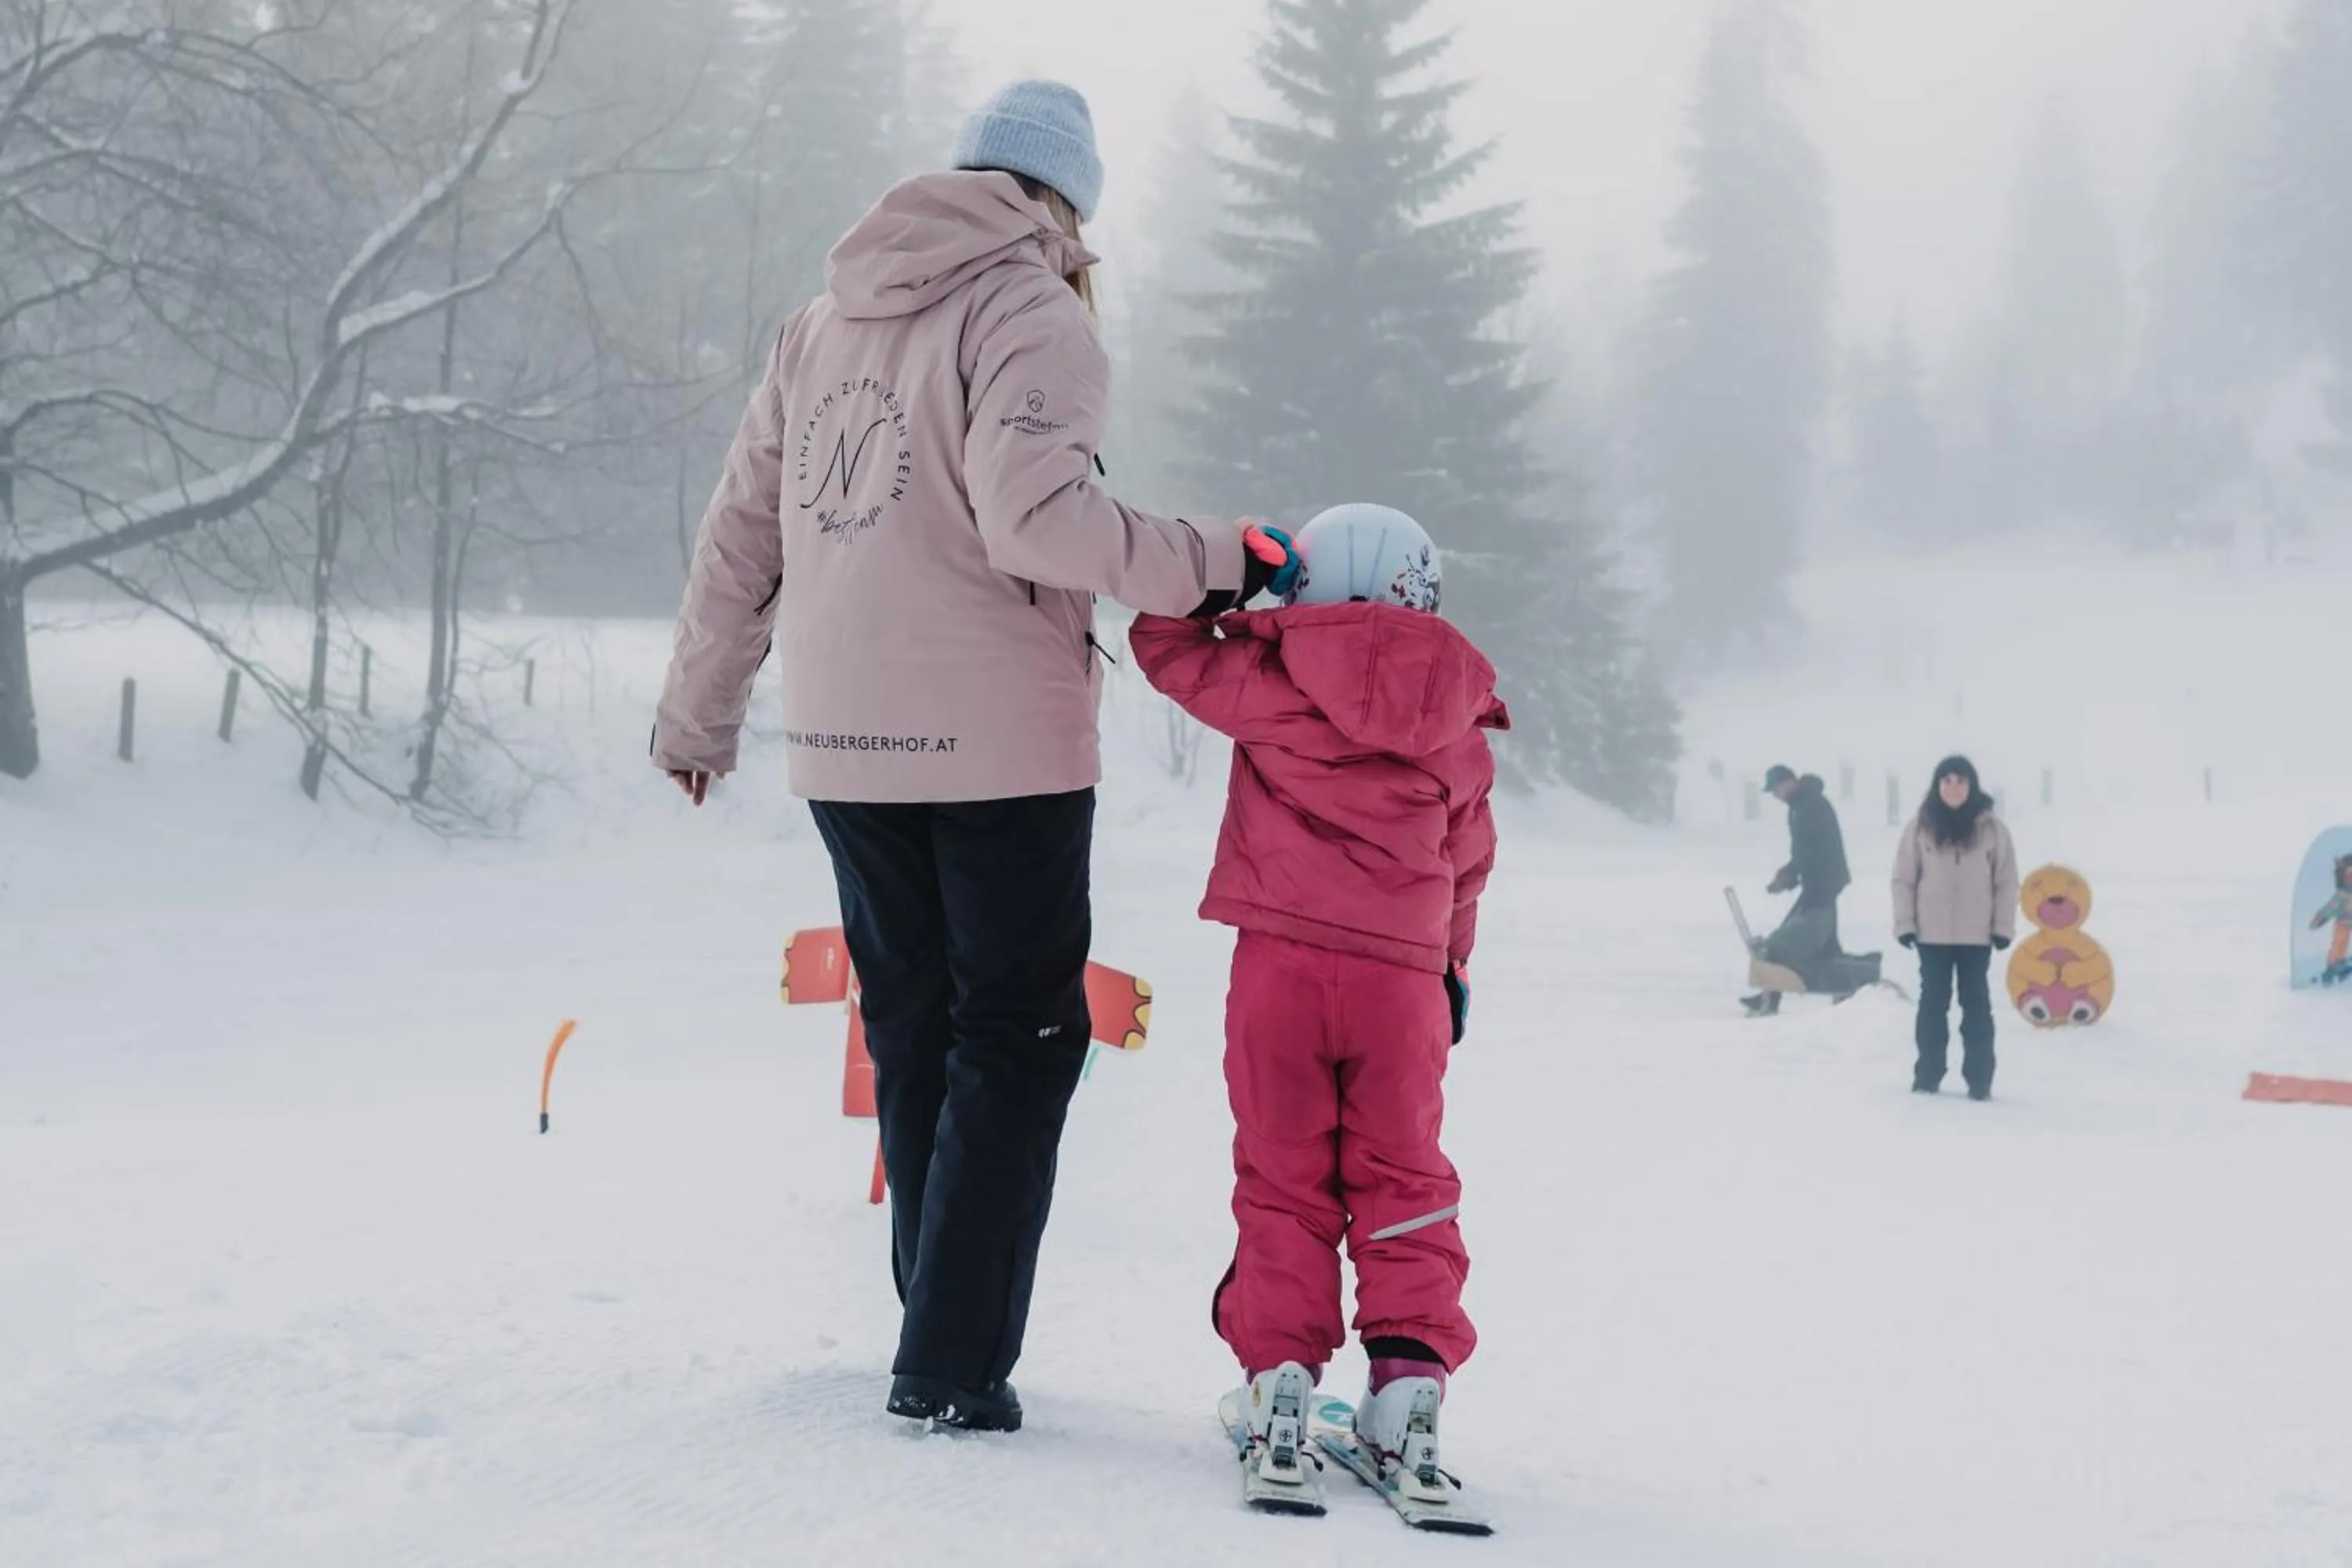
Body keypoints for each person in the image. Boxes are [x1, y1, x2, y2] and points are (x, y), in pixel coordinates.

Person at [652, 80, 1294, 1432]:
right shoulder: (1031, 308)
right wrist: (1216, 560)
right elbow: (1040, 522)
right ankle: (948, 1365)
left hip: (843, 742)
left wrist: (700, 712)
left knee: (919, 1030)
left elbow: (742, 531)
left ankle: (931, 1338)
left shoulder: (822, 321)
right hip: (996, 741)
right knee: (1022, 1030)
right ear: (1067, 202)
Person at [1129, 503, 1507, 1497]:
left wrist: (1233, 568)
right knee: (1403, 1177)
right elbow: (1468, 865)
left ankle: (1282, 1380)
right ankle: (1409, 1390)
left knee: (1284, 1175)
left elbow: (1160, 640)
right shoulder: (1458, 720)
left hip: (1281, 971)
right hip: (1401, 983)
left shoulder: (1269, 678)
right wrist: (1452, 968)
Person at [1892, 756, 2020, 1099]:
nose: (1953, 787)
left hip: (1976, 936)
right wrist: (1905, 923)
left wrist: (2002, 927)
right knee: (1933, 1004)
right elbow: (1904, 879)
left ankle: (1980, 1080)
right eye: (1946, 781)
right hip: (1931, 935)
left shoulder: (1992, 830)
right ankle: (1927, 1075)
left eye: (1960, 781)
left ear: (1972, 785)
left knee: (1976, 1005)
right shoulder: (1921, 826)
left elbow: (2006, 881)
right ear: (1937, 786)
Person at [1740, 764, 1852, 1016]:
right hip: (1818, 881)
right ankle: (1845, 991)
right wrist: (1791, 875)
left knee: (1786, 939)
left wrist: (1791, 873)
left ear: (1789, 782)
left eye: (1776, 789)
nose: (1776, 796)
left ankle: (1771, 998)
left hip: (1824, 881)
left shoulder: (1812, 805)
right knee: (1827, 943)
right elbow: (1805, 851)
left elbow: (1817, 849)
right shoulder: (1800, 806)